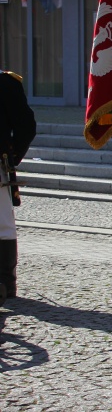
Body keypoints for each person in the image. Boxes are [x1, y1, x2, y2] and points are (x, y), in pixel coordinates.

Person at [0, 68, 36, 304]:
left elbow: (25, 126)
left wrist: (11, 158)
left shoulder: (5, 83)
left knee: (2, 223)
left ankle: (4, 281)